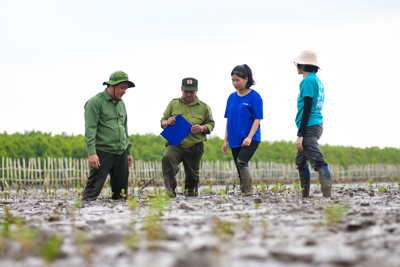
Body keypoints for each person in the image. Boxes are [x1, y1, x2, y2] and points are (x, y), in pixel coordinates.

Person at [82, 70, 135, 201]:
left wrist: (128, 151)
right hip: (102, 153)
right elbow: (90, 130)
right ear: (112, 85)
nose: (124, 92)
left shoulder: (121, 104)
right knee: (91, 193)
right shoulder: (95, 102)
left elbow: (125, 128)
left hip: (121, 152)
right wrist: (92, 153)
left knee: (121, 196)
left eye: (126, 89)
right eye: (122, 88)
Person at [161, 77, 215, 197]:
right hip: (176, 143)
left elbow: (211, 124)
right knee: (167, 158)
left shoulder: (204, 107)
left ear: (196, 90)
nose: (189, 94)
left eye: (191, 91)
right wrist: (167, 122)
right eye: (186, 91)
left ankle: (191, 193)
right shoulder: (173, 104)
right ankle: (169, 191)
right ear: (181, 89)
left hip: (195, 146)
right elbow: (162, 122)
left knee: (192, 177)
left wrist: (201, 128)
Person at [291, 50, 332, 198]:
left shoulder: (307, 81)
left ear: (303, 65)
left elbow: (307, 107)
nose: (296, 66)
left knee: (318, 161)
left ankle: (328, 198)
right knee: (300, 161)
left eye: (297, 64)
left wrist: (300, 134)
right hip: (316, 124)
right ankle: (305, 196)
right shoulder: (317, 81)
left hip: (309, 125)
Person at [222, 64, 263, 196]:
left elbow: (257, 119)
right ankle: (244, 194)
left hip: (250, 138)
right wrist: (225, 141)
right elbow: (228, 120)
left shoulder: (255, 97)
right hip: (234, 139)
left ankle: (248, 192)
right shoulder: (231, 97)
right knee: (239, 168)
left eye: (237, 80)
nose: (235, 83)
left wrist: (249, 137)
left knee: (242, 162)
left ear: (246, 79)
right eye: (233, 80)